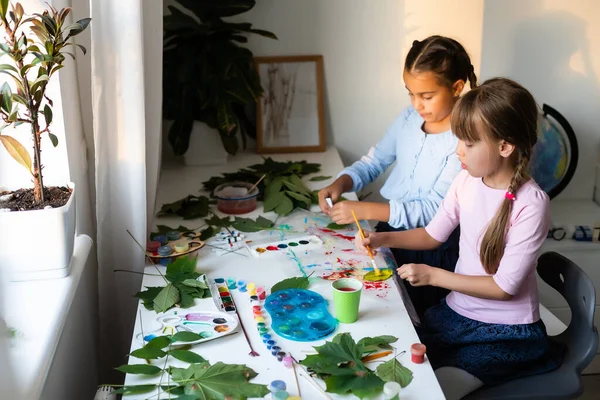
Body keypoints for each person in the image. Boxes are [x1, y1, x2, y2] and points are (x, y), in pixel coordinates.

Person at [355, 78, 564, 400]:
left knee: (437, 389)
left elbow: (503, 288)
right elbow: (432, 235)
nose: (458, 151)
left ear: (504, 146)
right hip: (457, 314)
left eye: (468, 143)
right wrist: (381, 238)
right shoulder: (465, 180)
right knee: (398, 360)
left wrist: (435, 276)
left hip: (506, 334)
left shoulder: (531, 203)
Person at [318, 35, 477, 317]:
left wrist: (367, 208)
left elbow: (433, 213)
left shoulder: (465, 140)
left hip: (433, 254)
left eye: (427, 96)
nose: (417, 104)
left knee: (421, 321)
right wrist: (342, 182)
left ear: (456, 87)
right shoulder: (408, 119)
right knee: (386, 312)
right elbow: (375, 160)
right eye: (411, 93)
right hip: (389, 237)